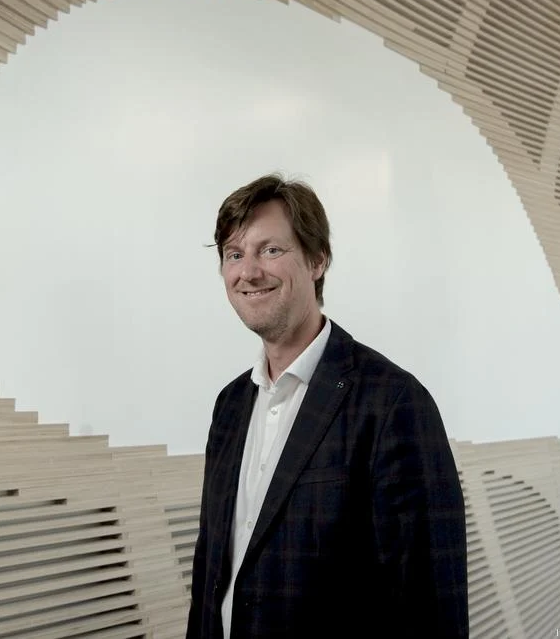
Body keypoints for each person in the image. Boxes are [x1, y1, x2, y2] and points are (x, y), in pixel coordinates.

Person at [186, 174, 468, 639]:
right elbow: (210, 575)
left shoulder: (392, 404)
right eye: (234, 255)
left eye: (270, 250)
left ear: (318, 259)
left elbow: (430, 605)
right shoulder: (230, 406)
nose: (248, 272)